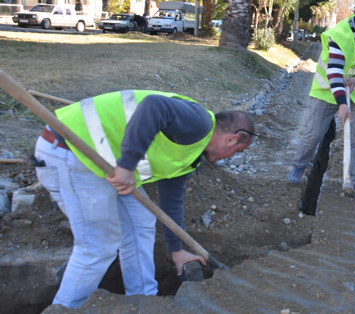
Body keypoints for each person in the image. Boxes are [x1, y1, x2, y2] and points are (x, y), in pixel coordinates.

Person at [33, 90, 256, 308]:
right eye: (237, 152)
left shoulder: (192, 153)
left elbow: (172, 201)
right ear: (232, 139)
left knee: (141, 223)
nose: (229, 158)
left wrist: (177, 251)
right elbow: (153, 105)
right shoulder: (198, 123)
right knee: (98, 246)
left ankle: (143, 299)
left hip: (104, 164)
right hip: (71, 151)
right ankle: (64, 308)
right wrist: (127, 165)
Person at [287, 0, 355, 203]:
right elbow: (334, 72)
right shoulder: (340, 33)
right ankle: (299, 166)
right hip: (328, 87)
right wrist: (342, 104)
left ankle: (354, 182)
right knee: (313, 133)